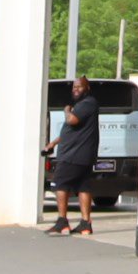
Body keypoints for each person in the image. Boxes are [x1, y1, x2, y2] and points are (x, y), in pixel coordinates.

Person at [44, 76, 100, 235]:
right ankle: (85, 224)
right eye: (74, 87)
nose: (76, 89)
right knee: (83, 186)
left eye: (79, 86)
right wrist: (53, 143)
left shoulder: (87, 103)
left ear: (87, 88)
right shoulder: (84, 105)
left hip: (73, 155)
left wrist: (66, 110)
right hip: (81, 155)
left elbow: (71, 120)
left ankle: (62, 222)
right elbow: (71, 131)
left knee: (60, 184)